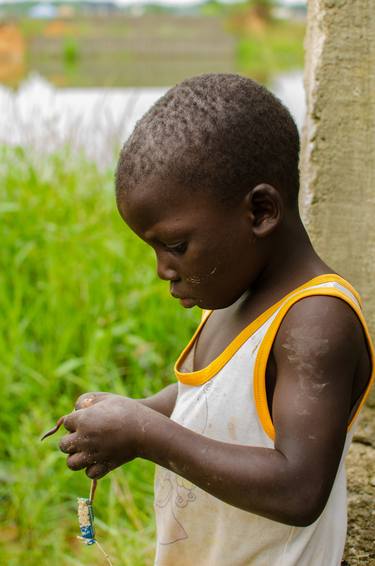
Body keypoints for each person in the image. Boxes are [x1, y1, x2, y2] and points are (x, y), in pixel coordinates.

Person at [59, 74, 374, 566]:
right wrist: (136, 411)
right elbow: (213, 398)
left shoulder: (314, 320)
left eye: (176, 246)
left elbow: (299, 489)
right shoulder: (231, 297)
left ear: (261, 211)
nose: (163, 270)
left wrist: (146, 434)